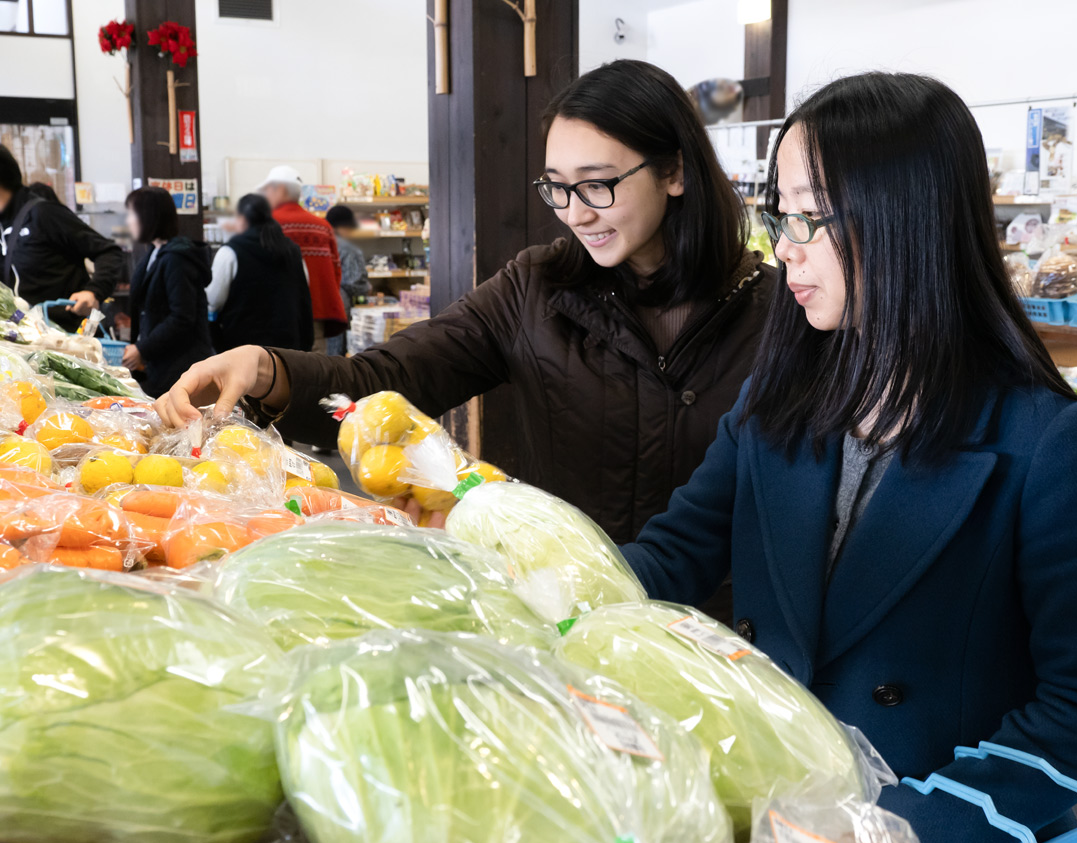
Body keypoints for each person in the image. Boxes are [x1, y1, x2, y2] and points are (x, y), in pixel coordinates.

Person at [619, 73, 1077, 843]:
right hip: (779, 835)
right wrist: (534, 587)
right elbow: (674, 553)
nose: (785, 246)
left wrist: (904, 834)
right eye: (779, 213)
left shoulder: (1043, 443)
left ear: (906, 219)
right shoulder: (778, 398)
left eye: (811, 217)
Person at [156, 59, 776, 547]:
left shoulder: (775, 313)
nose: (576, 213)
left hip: (729, 637)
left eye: (598, 184)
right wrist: (267, 370)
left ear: (674, 173)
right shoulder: (535, 290)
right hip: (564, 609)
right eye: (557, 188)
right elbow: (383, 380)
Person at [0, 144, 124, 323]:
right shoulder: (4, 223)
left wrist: (93, 291)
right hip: (22, 338)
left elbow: (109, 251)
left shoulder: (43, 214)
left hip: (65, 338)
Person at [125, 187, 213, 397]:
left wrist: (143, 349)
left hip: (180, 364)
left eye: (131, 213)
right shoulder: (156, 252)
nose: (128, 221)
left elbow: (182, 317)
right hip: (161, 362)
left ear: (149, 215)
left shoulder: (177, 258)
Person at [206, 193, 313, 353]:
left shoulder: (231, 251)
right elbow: (303, 292)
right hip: (289, 349)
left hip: (243, 349)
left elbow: (213, 299)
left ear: (242, 219)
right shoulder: (293, 251)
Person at [258, 166, 345, 352]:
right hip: (316, 313)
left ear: (279, 190)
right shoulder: (323, 227)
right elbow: (336, 271)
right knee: (316, 372)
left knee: (277, 371)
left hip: (275, 316)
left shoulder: (265, 225)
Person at [323, 204, 371, 356]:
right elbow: (354, 283)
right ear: (343, 226)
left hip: (314, 306)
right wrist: (367, 288)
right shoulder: (348, 249)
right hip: (338, 306)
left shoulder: (318, 241)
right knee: (336, 358)